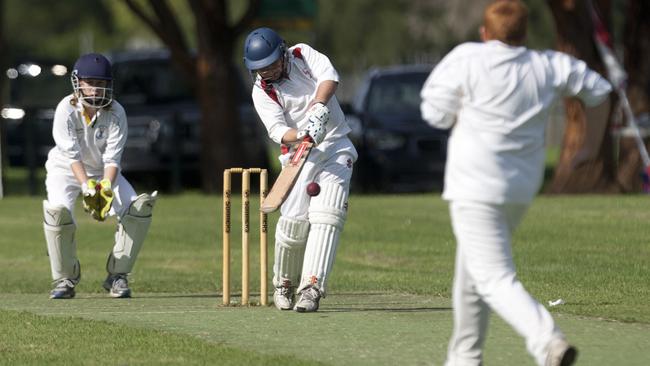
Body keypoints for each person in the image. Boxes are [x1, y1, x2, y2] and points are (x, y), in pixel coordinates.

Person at [419, 1, 612, 365]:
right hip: (519, 190)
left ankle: (548, 342)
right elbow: (600, 91)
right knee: (471, 275)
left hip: (474, 187)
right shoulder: (547, 65)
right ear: (525, 34)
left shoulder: (467, 58)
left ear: (485, 33)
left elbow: (435, 113)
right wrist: (588, 147)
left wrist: (460, 109)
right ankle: (463, 359)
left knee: (492, 277)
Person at [243, 27, 357, 312]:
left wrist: (319, 108)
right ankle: (284, 282)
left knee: (327, 215)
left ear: (282, 54)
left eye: (270, 65)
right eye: (260, 69)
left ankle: (312, 288)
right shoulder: (262, 90)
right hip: (298, 155)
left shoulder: (302, 54)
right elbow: (278, 131)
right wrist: (304, 132)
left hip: (335, 146)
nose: (266, 72)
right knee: (293, 222)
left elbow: (329, 77)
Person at [43, 53, 158, 299]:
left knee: (137, 208)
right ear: (78, 82)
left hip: (102, 171)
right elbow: (71, 155)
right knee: (57, 212)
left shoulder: (117, 112)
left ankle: (118, 276)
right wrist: (87, 188)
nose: (96, 89)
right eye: (91, 82)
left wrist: (104, 186)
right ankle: (65, 278)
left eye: (102, 83)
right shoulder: (66, 108)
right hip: (65, 169)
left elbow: (112, 159)